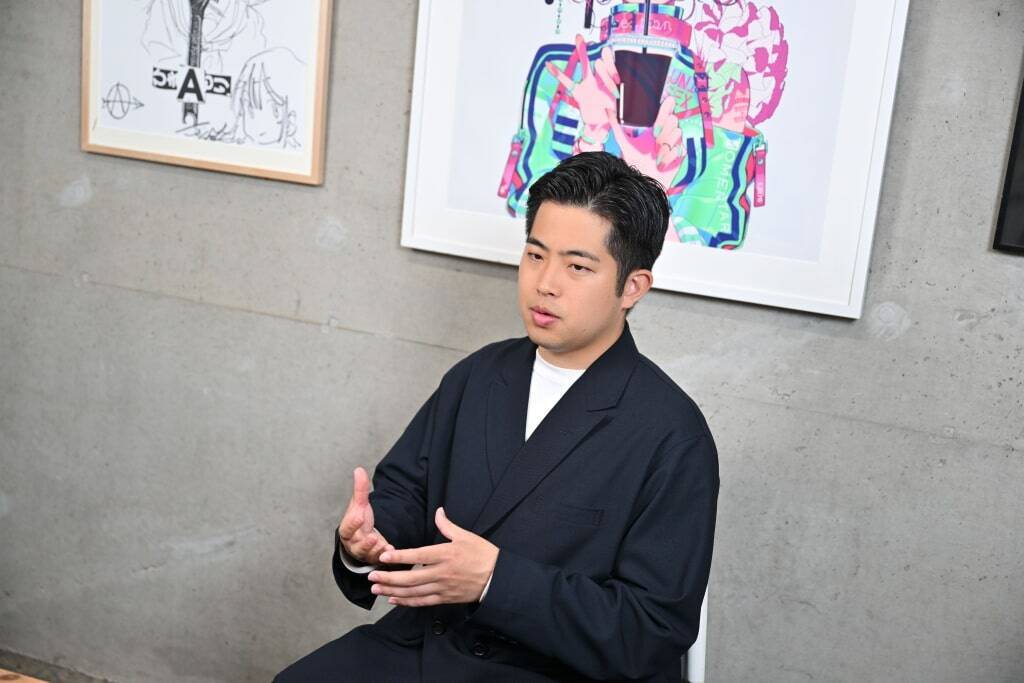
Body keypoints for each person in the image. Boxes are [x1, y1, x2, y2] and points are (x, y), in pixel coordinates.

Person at [274, 152, 719, 682]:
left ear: (632, 287)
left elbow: (650, 630)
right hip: (432, 642)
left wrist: (494, 581)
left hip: (556, 670)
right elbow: (405, 495)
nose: (545, 283)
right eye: (535, 255)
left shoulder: (672, 434)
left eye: (577, 267)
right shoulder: (481, 375)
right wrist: (367, 543)